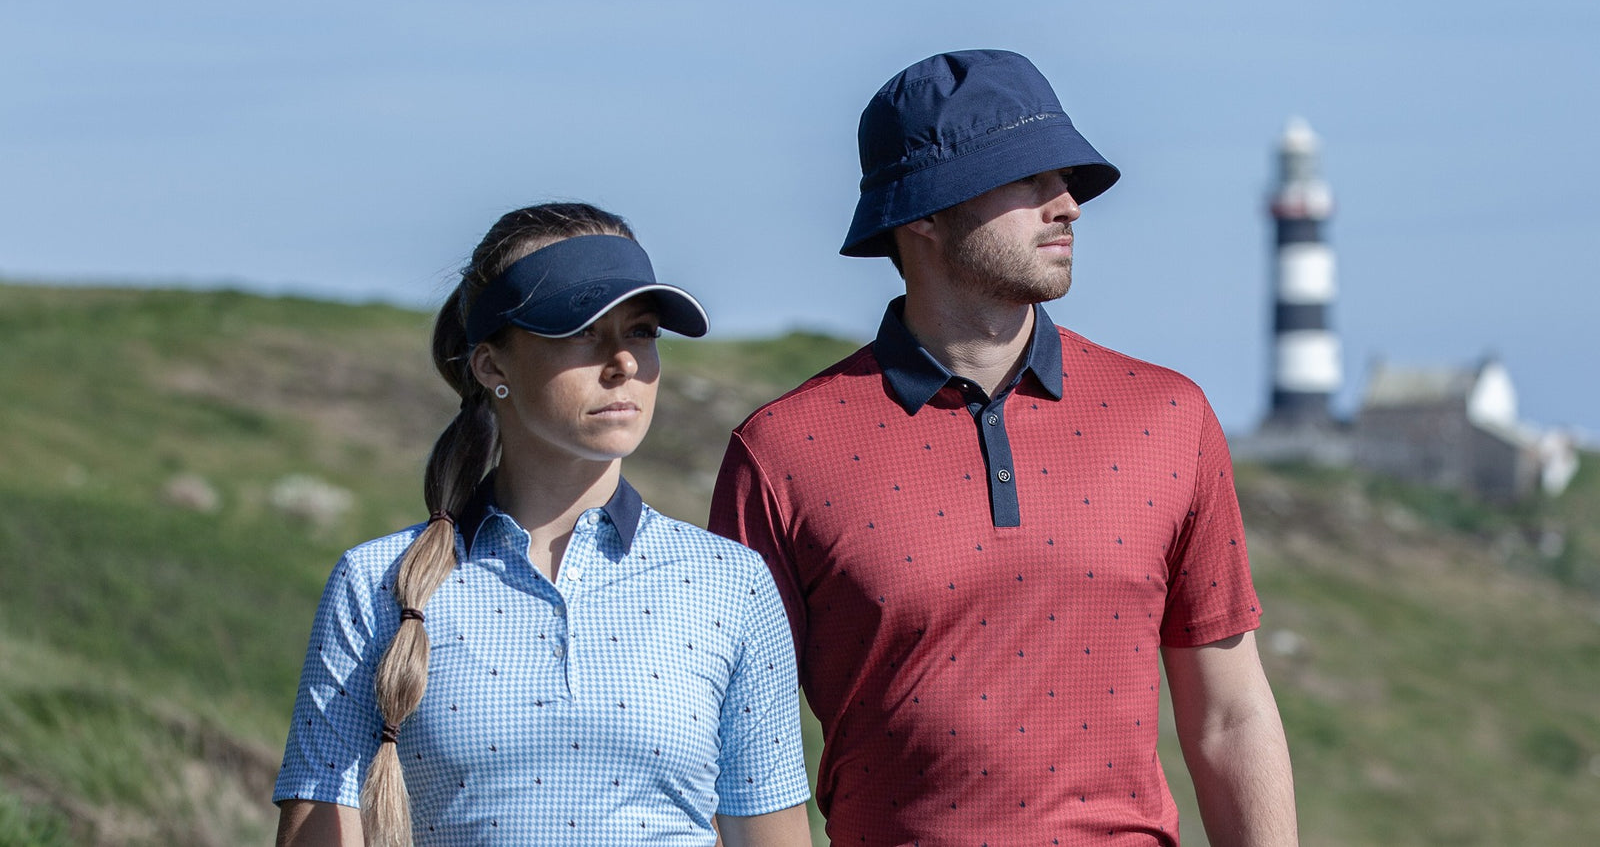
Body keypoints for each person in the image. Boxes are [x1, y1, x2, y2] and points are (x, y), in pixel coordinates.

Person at [710, 51, 1298, 846]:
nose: (1068, 205)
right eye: (1026, 179)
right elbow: (750, 756)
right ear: (920, 212)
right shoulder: (783, 453)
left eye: (1064, 178)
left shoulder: (1170, 416)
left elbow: (1230, 715)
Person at [273, 203, 812, 847]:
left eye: (641, 332)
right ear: (492, 365)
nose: (624, 364)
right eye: (581, 331)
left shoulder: (732, 583)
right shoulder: (376, 584)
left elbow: (770, 835)